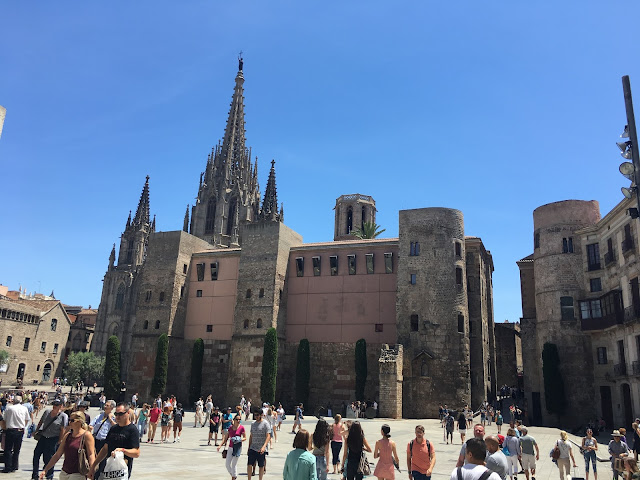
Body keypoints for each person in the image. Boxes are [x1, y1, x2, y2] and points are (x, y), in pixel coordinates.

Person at [89, 402, 140, 480]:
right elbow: (105, 448)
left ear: (128, 413)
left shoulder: (132, 430)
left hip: (122, 471)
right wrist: (94, 466)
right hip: (108, 469)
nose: (118, 416)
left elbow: (136, 453)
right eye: (116, 414)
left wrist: (123, 450)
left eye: (121, 414)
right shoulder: (113, 428)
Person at [39, 411, 95, 480]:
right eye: (69, 420)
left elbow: (91, 454)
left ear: (80, 422)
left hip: (78, 473)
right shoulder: (68, 435)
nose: (69, 422)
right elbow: (58, 454)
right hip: (64, 472)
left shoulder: (86, 435)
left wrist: (92, 470)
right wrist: (46, 469)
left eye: (72, 420)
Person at [31, 399, 68, 480]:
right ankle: (35, 474)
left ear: (61, 406)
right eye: (54, 405)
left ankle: (49, 475)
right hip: (43, 437)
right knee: (36, 455)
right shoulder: (47, 412)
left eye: (57, 405)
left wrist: (60, 441)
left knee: (49, 457)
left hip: (53, 439)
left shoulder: (63, 416)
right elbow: (41, 422)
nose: (54, 406)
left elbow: (63, 429)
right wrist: (36, 431)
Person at [3, 395, 32, 473]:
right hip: (20, 430)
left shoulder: (9, 408)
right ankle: (14, 466)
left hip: (10, 430)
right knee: (17, 449)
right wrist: (23, 426)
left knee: (8, 449)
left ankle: (8, 467)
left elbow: (4, 419)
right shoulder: (24, 408)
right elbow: (27, 419)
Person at [89, 399, 116, 479]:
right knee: (95, 458)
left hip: (106, 442)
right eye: (105, 405)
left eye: (107, 405)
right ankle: (95, 475)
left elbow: (116, 427)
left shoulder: (114, 417)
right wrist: (90, 427)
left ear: (112, 408)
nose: (105, 406)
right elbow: (91, 424)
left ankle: (101, 475)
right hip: (97, 441)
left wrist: (110, 419)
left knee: (103, 461)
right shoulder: (99, 416)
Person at [218, 414, 246, 480]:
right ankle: (234, 475)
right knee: (227, 464)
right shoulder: (230, 428)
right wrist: (220, 445)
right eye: (237, 419)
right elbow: (226, 438)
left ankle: (233, 477)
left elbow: (245, 437)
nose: (238, 421)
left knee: (234, 464)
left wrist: (239, 439)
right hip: (230, 447)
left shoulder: (241, 428)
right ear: (234, 420)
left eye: (239, 419)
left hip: (237, 447)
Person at [247, 407, 271, 480]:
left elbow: (268, 436)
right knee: (249, 464)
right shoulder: (253, 424)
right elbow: (251, 436)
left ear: (261, 415)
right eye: (255, 415)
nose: (256, 416)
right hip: (253, 447)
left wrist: (264, 446)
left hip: (261, 448)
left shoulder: (265, 424)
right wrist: (249, 447)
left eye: (257, 415)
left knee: (261, 466)